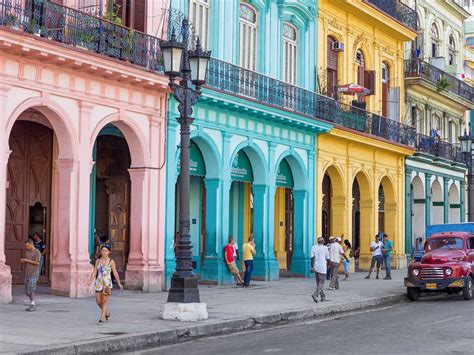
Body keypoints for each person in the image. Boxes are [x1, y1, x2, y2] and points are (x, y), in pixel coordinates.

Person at [87, 244, 123, 324]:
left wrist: (119, 283)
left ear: (109, 252)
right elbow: (95, 271)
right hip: (98, 283)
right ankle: (107, 312)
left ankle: (102, 318)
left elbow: (115, 273)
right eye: (103, 250)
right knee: (98, 302)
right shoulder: (98, 261)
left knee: (104, 301)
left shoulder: (111, 261)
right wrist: (90, 280)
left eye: (106, 251)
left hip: (107, 284)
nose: (104, 252)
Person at [21, 239, 41, 311]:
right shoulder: (27, 252)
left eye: (27, 246)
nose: (26, 247)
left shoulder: (37, 252)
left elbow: (37, 263)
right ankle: (32, 303)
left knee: (31, 290)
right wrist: (24, 262)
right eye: (26, 246)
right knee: (27, 291)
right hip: (28, 273)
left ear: (31, 244)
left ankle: (33, 304)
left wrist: (26, 260)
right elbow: (28, 262)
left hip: (34, 273)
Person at [310, 237, 330, 303]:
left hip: (316, 267)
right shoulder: (325, 248)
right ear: (323, 241)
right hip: (322, 267)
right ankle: (315, 294)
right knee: (321, 282)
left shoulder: (313, 247)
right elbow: (328, 258)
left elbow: (312, 258)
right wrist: (329, 264)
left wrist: (312, 267)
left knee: (319, 283)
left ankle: (323, 297)